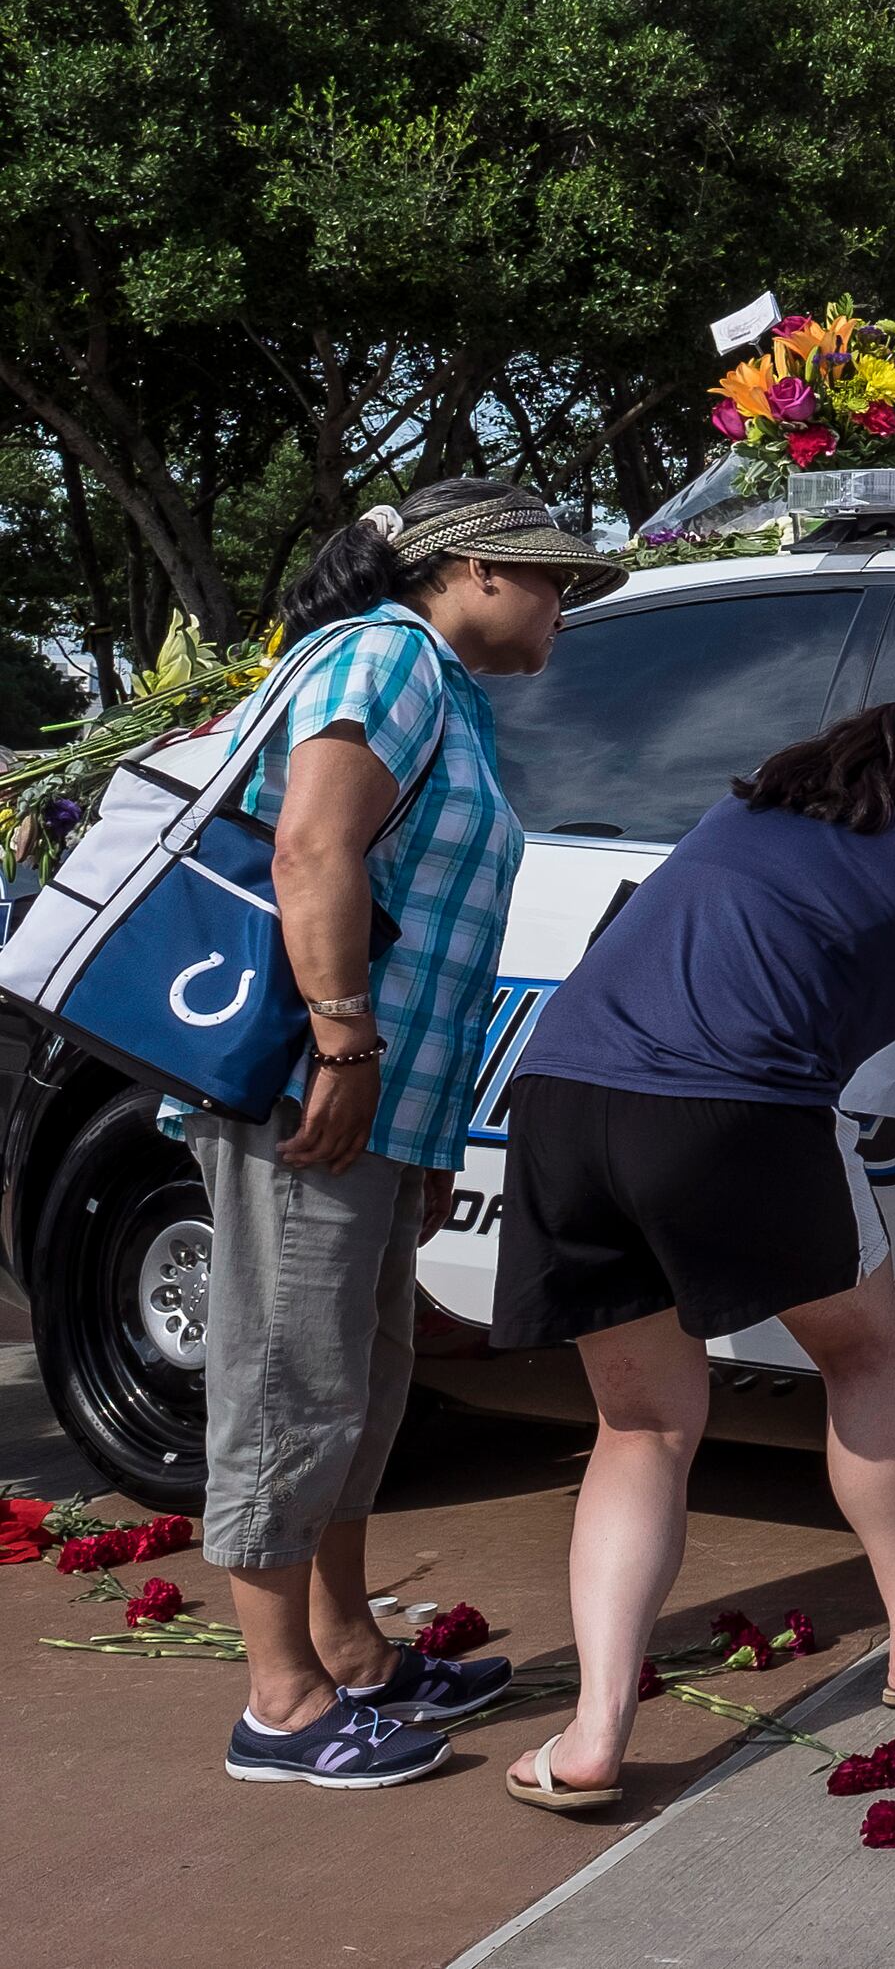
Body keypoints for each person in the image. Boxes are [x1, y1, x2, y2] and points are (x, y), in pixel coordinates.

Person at [488, 668, 895, 1814]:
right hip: (733, 1113)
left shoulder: (762, 803)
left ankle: (592, 1737)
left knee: (641, 1424)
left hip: (561, 1097)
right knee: (862, 1353)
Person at [212, 478, 623, 1791]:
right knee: (292, 1378)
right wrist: (340, 1036)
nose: (565, 606)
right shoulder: (389, 655)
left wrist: (426, 1127)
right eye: (553, 578)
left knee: (362, 1378)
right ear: (477, 565)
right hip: (305, 1088)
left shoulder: (446, 692)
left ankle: (350, 1650)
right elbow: (313, 846)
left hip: (377, 1105)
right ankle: (279, 1704)